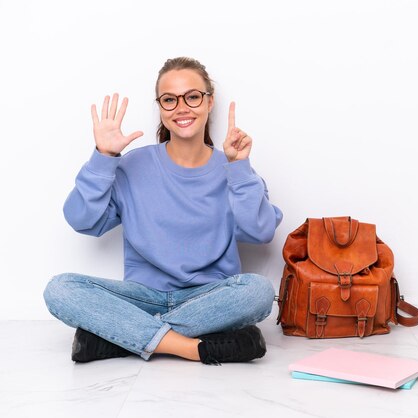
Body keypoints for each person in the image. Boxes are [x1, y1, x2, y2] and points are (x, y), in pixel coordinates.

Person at [43, 57, 283, 365]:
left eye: (192, 96)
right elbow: (82, 221)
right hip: (141, 298)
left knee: (258, 291)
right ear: (160, 107)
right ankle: (191, 347)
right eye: (170, 99)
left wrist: (238, 167)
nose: (181, 107)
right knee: (60, 289)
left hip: (208, 299)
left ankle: (118, 339)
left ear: (209, 103)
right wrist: (104, 157)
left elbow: (260, 232)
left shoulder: (234, 168)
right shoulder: (132, 165)